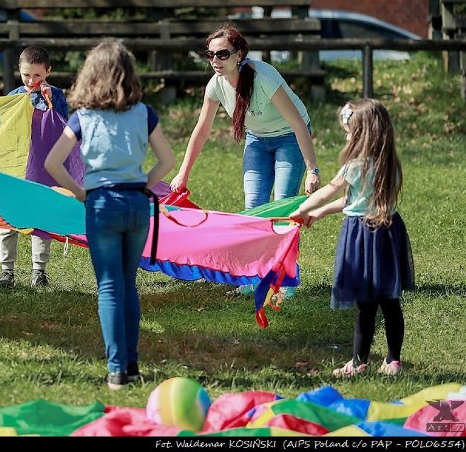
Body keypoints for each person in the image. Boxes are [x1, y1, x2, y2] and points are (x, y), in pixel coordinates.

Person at [44, 41, 175, 390]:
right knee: (129, 283)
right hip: (136, 204)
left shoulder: (82, 117)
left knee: (109, 287)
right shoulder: (144, 113)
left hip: (101, 203)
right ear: (129, 74)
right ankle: (132, 365)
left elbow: (52, 163)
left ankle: (116, 370)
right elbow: (167, 161)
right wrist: (143, 183)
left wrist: (79, 191)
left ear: (90, 75)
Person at [290, 99, 414, 378]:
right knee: (390, 302)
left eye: (348, 131)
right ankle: (393, 361)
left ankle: (358, 363)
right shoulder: (389, 163)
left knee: (366, 304)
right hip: (389, 234)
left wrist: (301, 209)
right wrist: (320, 213)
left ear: (362, 134)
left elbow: (329, 192)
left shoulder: (354, 166)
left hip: (362, 237)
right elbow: (354, 200)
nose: (346, 137)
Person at [169, 24, 321, 209]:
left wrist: (312, 170)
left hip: (289, 136)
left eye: (222, 54)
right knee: (254, 206)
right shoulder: (216, 84)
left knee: (282, 204)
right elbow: (201, 131)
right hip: (256, 139)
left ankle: (285, 238)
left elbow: (297, 123)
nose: (215, 60)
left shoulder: (263, 77)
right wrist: (183, 173)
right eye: (210, 55)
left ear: (239, 54)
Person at [0, 45, 69, 290]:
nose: (31, 80)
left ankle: (39, 270)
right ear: (19, 70)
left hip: (43, 168)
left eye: (37, 75)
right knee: (9, 219)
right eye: (27, 75)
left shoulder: (56, 95)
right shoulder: (15, 95)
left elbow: (63, 127)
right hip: (17, 166)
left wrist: (50, 104)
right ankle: (7, 270)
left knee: (40, 219)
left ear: (48, 72)